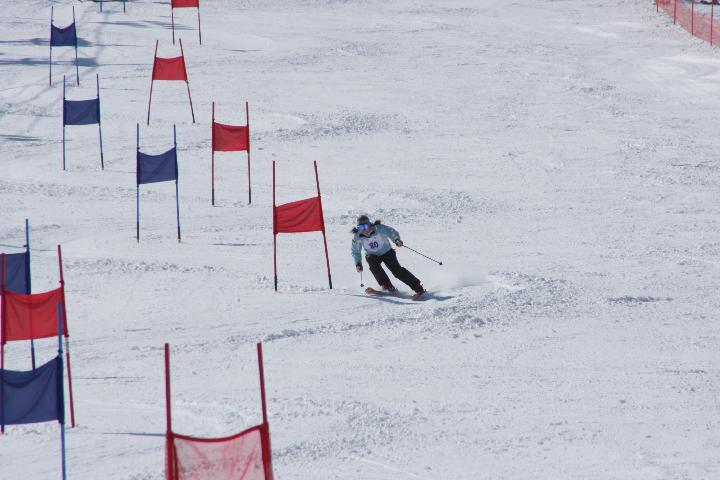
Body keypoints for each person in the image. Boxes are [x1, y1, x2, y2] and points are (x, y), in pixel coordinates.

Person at [351, 214, 425, 297]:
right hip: (373, 255)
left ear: (369, 224)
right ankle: (387, 286)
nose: (364, 229)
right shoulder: (357, 237)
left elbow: (391, 231)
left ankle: (417, 287)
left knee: (397, 271)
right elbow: (355, 251)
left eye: (365, 226)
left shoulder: (378, 228)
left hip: (387, 252)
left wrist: (396, 239)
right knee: (372, 262)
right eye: (361, 228)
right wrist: (358, 264)